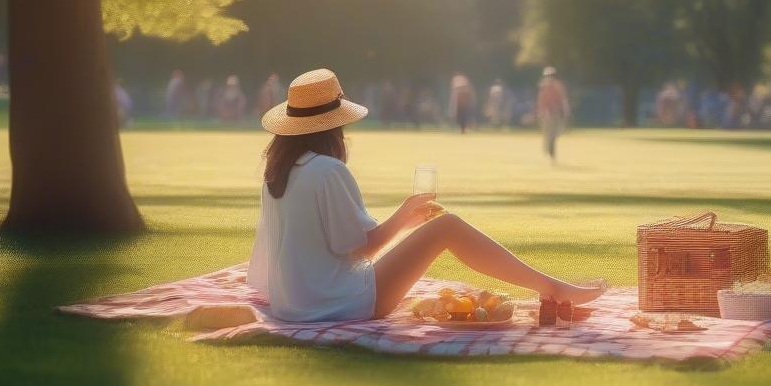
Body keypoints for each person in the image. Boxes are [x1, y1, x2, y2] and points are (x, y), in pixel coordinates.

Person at [247, 68, 605, 322]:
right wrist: (405, 216)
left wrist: (407, 220)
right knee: (447, 226)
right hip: (336, 303)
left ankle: (552, 286)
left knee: (442, 229)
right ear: (333, 126)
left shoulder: (277, 172)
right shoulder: (327, 171)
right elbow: (358, 248)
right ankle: (552, 287)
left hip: (293, 304)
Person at [536, 66, 570, 161]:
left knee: (555, 133)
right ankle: (551, 152)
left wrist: (566, 110)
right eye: (548, 75)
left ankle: (549, 147)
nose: (550, 77)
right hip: (547, 114)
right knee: (549, 134)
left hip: (556, 113)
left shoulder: (558, 86)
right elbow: (541, 101)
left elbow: (563, 99)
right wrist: (541, 112)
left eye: (551, 75)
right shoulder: (543, 87)